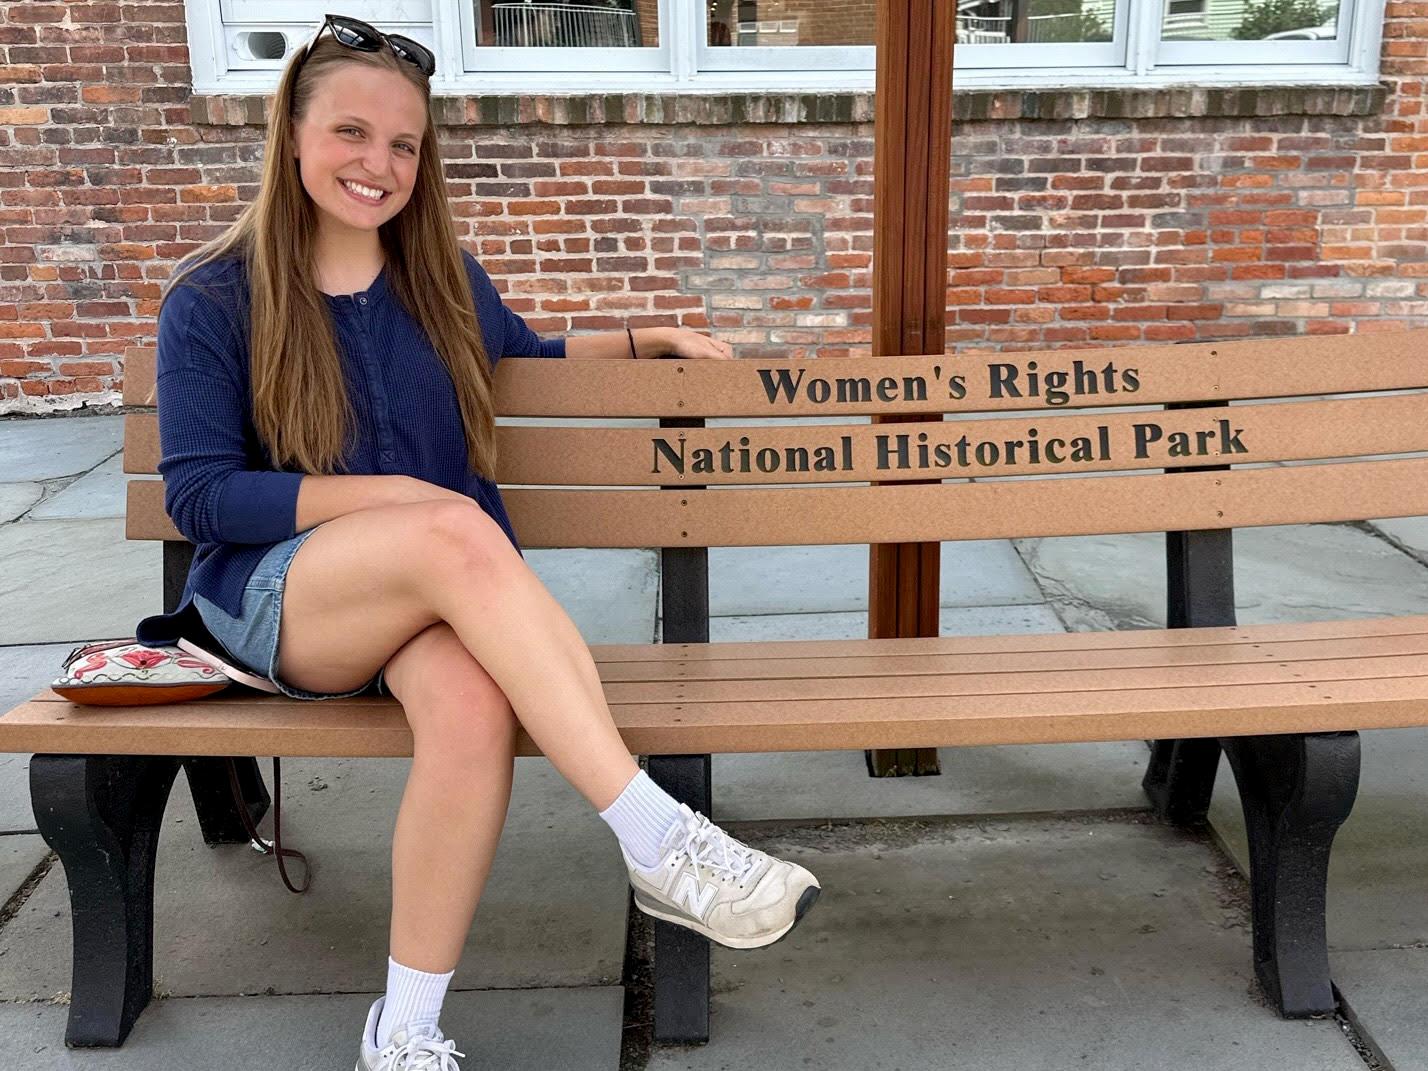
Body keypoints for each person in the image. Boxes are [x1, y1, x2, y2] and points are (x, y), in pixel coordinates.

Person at [133, 14, 820, 1071]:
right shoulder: (216, 299)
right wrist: (393, 500)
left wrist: (646, 339)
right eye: (353, 133)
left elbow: (524, 350)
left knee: (471, 706)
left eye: (404, 145)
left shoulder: (439, 274)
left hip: (433, 598)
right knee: (449, 520)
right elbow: (203, 498)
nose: (379, 164)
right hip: (286, 607)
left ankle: (402, 1029)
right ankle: (655, 837)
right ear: (293, 135)